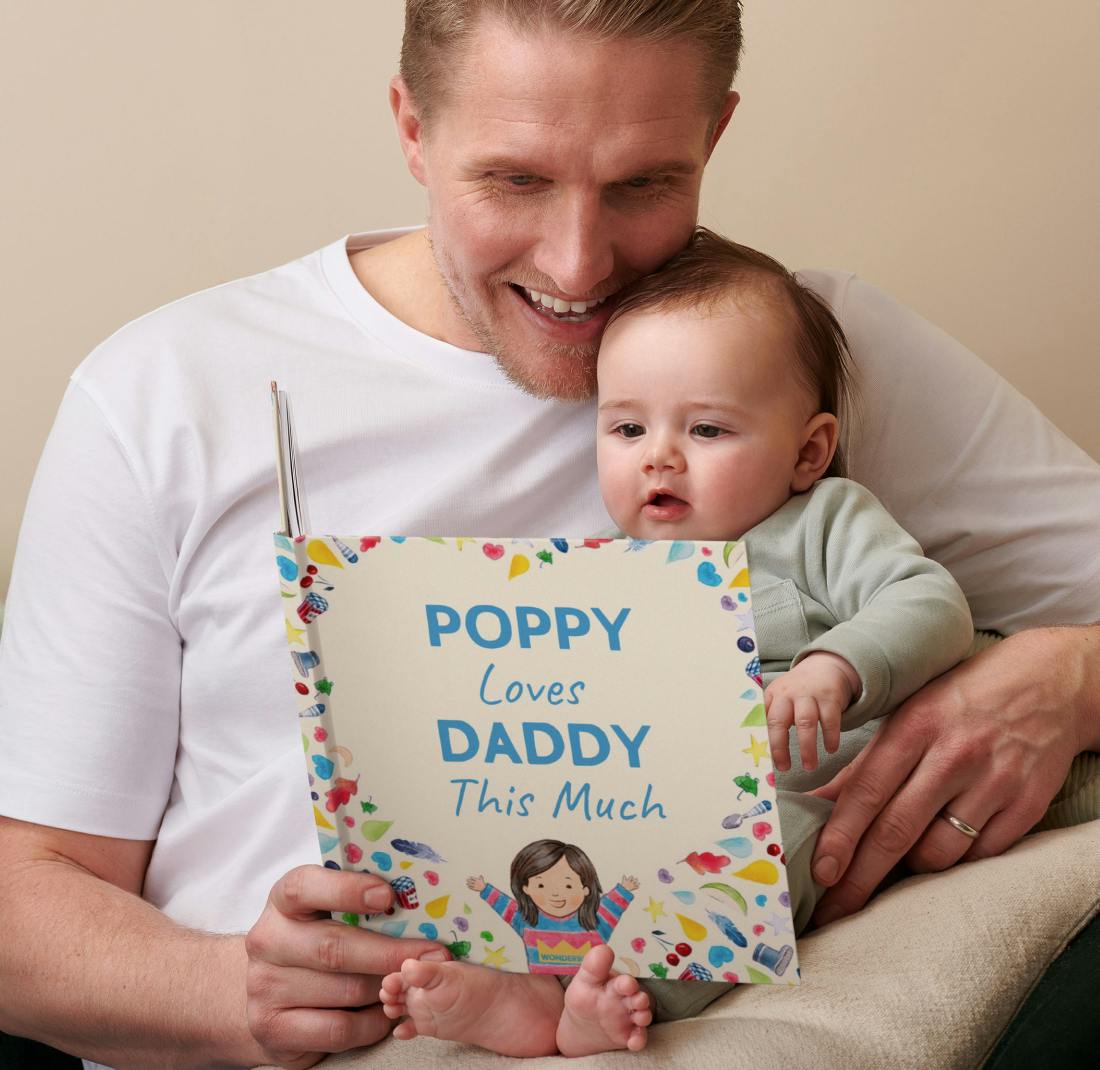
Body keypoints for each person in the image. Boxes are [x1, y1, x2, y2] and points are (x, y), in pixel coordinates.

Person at [0, 3, 1097, 1069]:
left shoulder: (789, 352)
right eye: (515, 179)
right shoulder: (168, 389)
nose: (577, 267)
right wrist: (238, 991)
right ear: (411, 128)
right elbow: (25, 896)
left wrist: (1066, 673)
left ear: (713, 133)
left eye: (642, 184)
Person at [378, 228, 979, 1055]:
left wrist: (834, 667)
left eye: (705, 431)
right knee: (552, 853)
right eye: (626, 431)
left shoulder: (819, 524)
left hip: (801, 790)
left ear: (808, 452)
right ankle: (528, 983)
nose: (659, 458)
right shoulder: (605, 570)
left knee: (763, 858)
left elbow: (931, 601)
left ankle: (620, 997)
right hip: (649, 795)